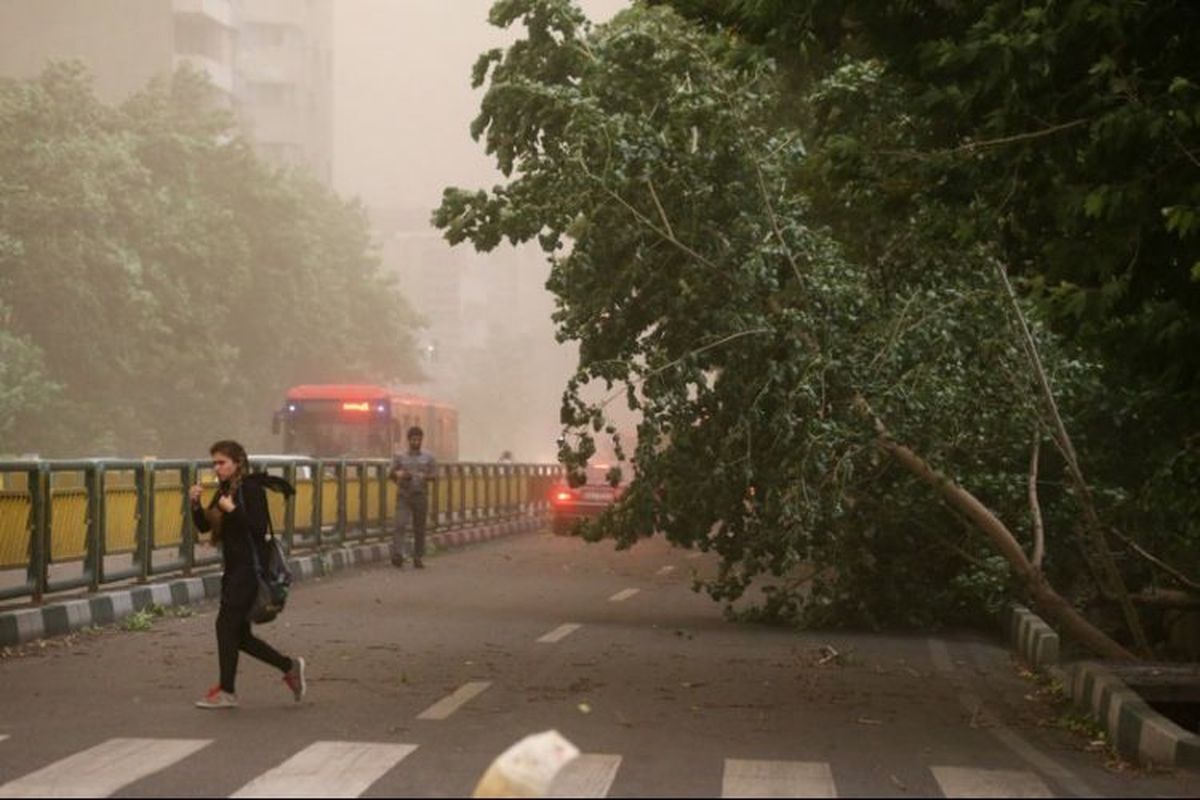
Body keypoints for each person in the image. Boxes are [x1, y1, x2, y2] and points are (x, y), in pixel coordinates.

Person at [189, 439, 306, 709]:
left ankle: (227, 692)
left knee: (225, 626)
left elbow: (257, 527)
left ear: (237, 463)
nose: (217, 468)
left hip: (250, 571)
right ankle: (289, 666)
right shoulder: (224, 491)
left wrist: (235, 511)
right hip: (234, 570)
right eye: (214, 463)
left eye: (222, 463)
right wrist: (195, 504)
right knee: (239, 636)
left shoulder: (250, 488)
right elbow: (206, 527)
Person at [390, 426, 436, 569]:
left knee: (419, 528)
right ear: (408, 440)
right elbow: (390, 474)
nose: (416, 442)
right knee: (400, 524)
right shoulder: (399, 456)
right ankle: (397, 554)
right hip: (404, 495)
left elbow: (434, 476)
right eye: (413, 440)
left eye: (418, 439)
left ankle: (418, 557)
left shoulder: (428, 458)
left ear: (422, 440)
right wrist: (399, 475)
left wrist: (425, 476)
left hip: (420, 495)